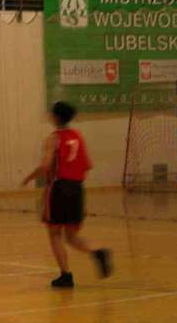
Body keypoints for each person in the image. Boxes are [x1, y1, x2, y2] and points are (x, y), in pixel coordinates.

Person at [21, 101, 113, 288]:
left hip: (59, 188)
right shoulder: (77, 136)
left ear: (55, 117)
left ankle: (66, 275)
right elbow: (87, 166)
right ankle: (97, 251)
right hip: (77, 188)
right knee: (71, 236)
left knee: (55, 233)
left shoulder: (53, 139)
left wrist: (29, 178)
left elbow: (46, 166)